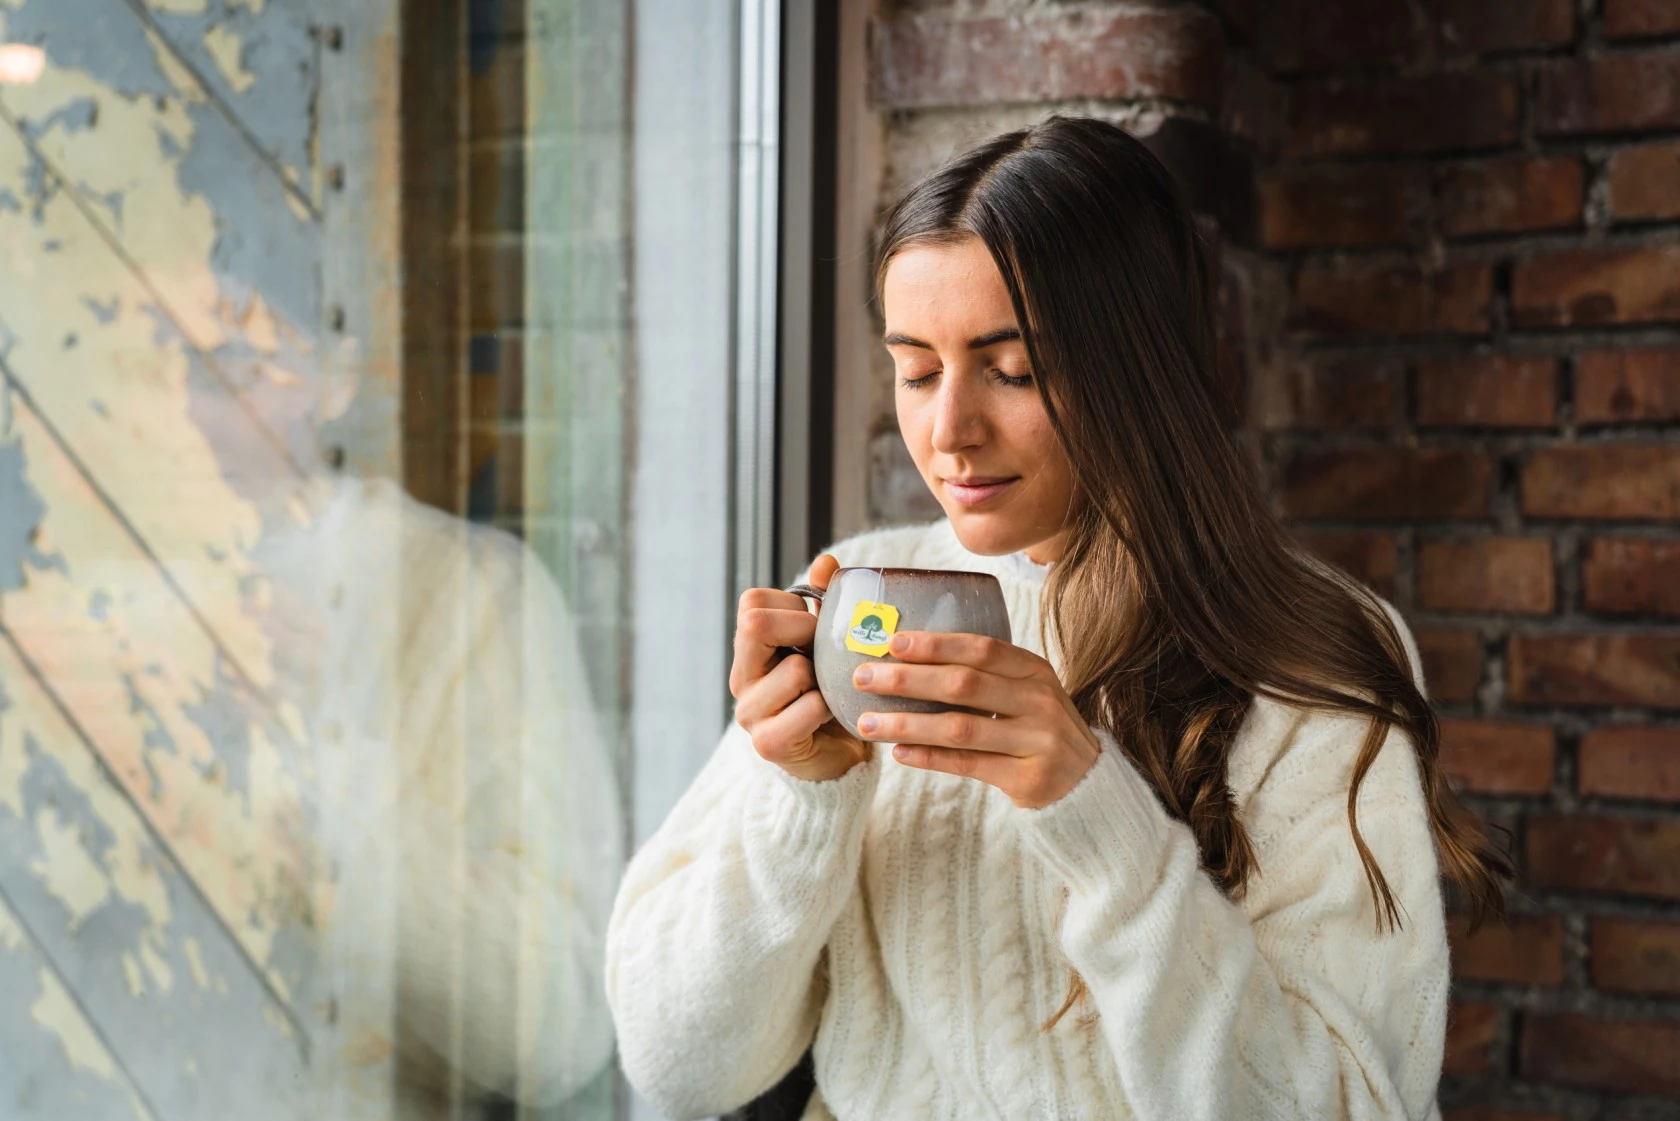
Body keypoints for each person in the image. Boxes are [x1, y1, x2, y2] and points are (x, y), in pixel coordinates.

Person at [604, 116, 1510, 1121]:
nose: (948, 430)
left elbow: (1350, 1104)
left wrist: (1094, 807)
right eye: (915, 369)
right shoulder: (860, 591)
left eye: (1015, 369)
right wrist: (802, 796)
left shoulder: (1310, 651)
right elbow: (674, 1060)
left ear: (1137, 366)